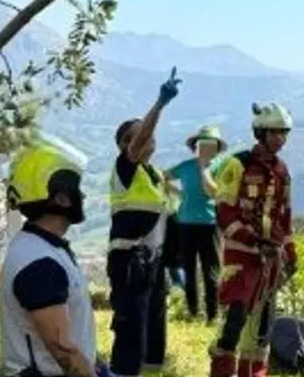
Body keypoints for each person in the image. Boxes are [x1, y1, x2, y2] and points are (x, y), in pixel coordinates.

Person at [0, 136, 104, 377]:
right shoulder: (39, 264)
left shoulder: (42, 248)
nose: (84, 196)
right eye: (77, 189)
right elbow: (63, 351)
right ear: (61, 198)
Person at [209, 103, 297, 377]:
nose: (280, 139)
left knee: (261, 327)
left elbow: (285, 216)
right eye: (274, 133)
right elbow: (224, 212)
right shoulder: (237, 164)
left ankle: (253, 373)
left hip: (271, 260)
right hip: (241, 254)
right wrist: (253, 239)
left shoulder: (283, 171)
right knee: (235, 319)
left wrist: (291, 252)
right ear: (260, 133)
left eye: (284, 133)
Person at [107, 68, 182, 377]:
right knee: (131, 336)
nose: (150, 136)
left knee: (154, 337)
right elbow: (139, 142)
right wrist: (160, 104)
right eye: (140, 134)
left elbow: (166, 219)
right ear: (127, 143)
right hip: (129, 264)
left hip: (153, 264)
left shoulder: (153, 176)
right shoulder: (125, 169)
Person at [167, 125, 227, 324]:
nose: (206, 148)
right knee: (189, 270)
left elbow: (213, 192)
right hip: (185, 224)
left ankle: (213, 314)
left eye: (211, 145)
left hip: (210, 225)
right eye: (202, 144)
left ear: (217, 148)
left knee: (211, 271)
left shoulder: (221, 167)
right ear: (196, 146)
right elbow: (163, 177)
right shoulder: (185, 167)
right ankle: (193, 312)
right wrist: (179, 194)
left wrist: (203, 168)